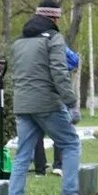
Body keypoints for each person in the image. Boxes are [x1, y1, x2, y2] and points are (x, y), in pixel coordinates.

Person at [4, 0, 93, 195]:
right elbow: (59, 73)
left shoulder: (19, 42)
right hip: (46, 103)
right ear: (53, 18)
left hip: (23, 104)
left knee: (23, 153)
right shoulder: (54, 39)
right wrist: (72, 103)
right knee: (70, 142)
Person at [32, 46, 80, 175]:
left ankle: (40, 169)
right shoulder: (58, 45)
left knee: (37, 131)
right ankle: (58, 165)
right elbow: (74, 61)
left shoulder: (33, 48)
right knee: (60, 129)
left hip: (37, 93)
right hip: (56, 93)